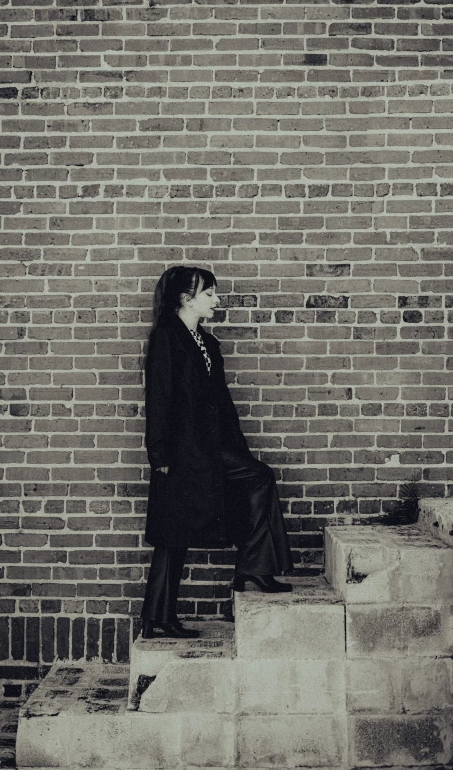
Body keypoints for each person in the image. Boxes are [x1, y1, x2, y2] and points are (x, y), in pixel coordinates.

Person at [140, 266, 294, 639]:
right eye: (210, 294)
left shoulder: (207, 344)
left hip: (209, 451)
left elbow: (222, 403)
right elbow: (159, 399)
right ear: (186, 298)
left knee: (258, 477)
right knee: (172, 534)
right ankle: (158, 618)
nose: (217, 301)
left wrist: (237, 448)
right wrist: (158, 455)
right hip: (179, 454)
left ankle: (253, 567)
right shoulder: (166, 338)